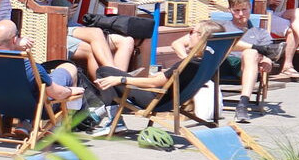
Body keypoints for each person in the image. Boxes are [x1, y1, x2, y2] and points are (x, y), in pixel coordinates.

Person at [93, 20, 227, 117]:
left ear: (201, 37)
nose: (189, 35)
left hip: (155, 99)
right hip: (173, 99)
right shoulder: (208, 62)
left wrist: (121, 79)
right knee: (116, 76)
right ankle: (110, 112)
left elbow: (153, 84)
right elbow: (160, 80)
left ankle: (113, 118)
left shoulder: (189, 63)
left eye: (192, 31)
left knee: (104, 71)